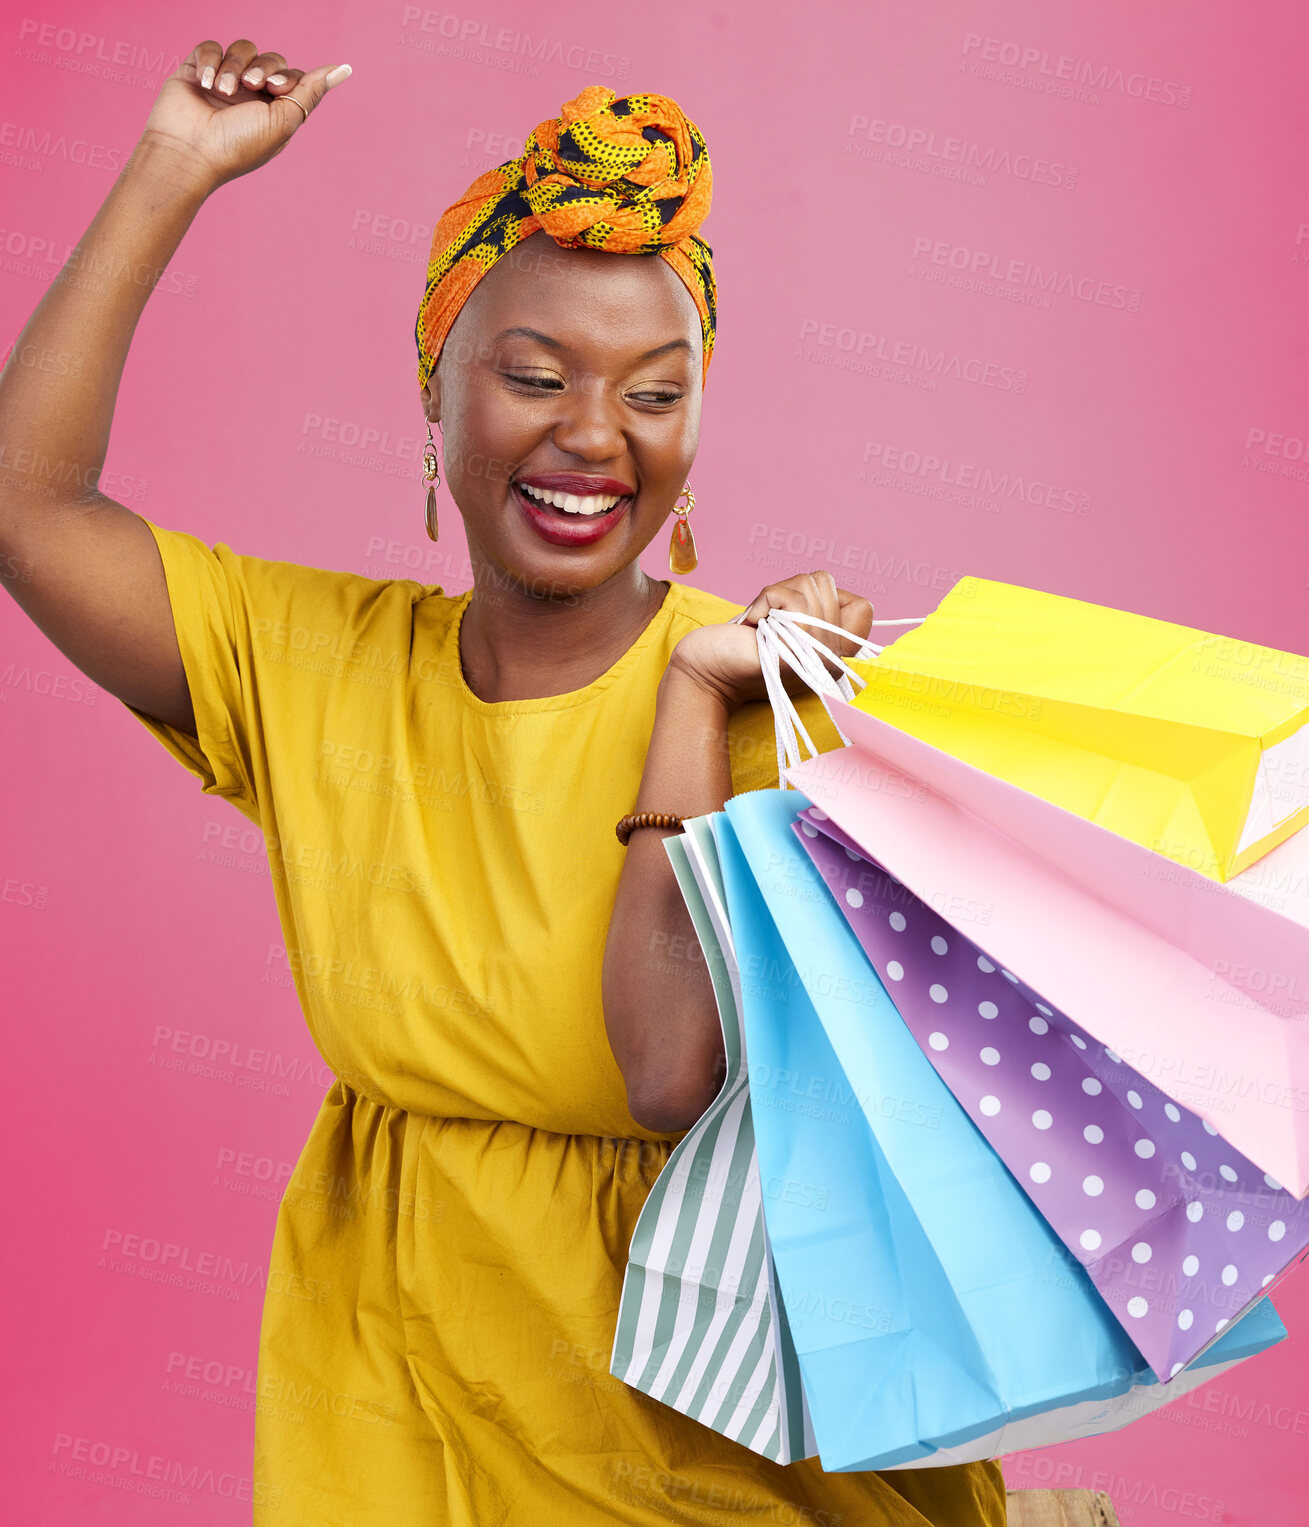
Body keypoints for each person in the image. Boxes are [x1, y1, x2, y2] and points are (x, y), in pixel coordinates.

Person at [0, 38, 1007, 1527]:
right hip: (391, 1372)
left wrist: (703, 698)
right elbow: (29, 507)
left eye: (654, 395)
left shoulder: (775, 704)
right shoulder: (312, 664)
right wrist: (174, 169)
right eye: (533, 376)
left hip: (697, 1412)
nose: (593, 437)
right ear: (438, 387)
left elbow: (681, 1086)